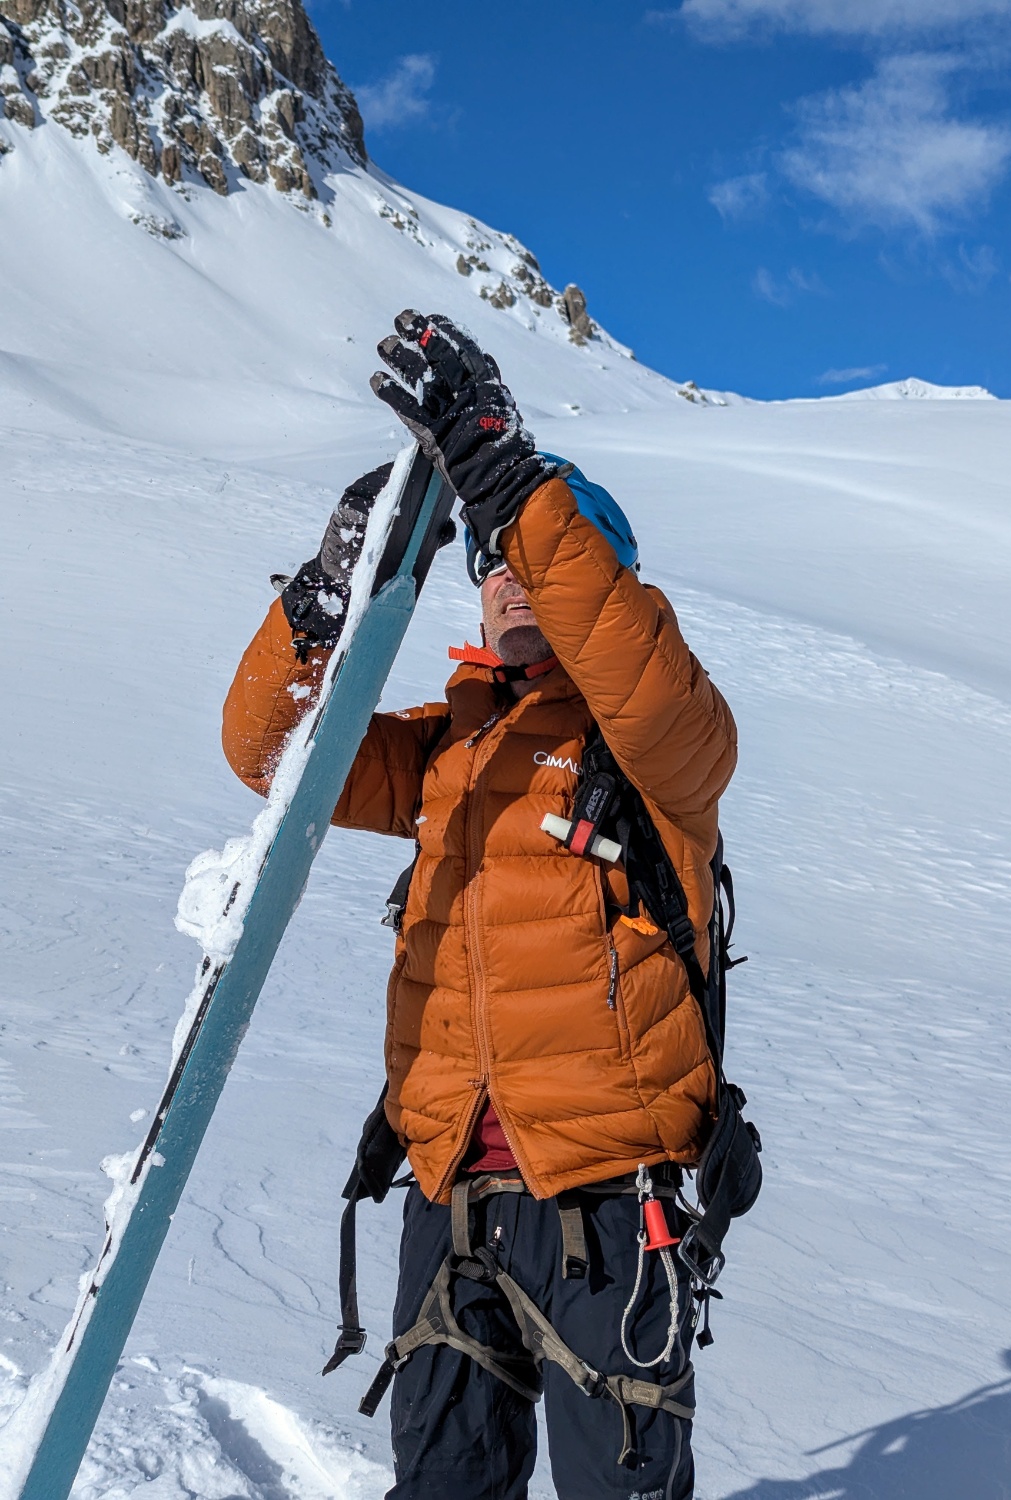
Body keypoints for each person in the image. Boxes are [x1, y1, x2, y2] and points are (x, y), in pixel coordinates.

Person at [221, 311, 738, 1500]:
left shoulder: (662, 748)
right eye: (488, 556)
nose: (505, 573)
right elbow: (269, 756)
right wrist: (321, 602)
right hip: (449, 1193)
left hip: (607, 1203)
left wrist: (510, 481)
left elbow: (636, 667)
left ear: (598, 573)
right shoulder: (447, 747)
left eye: (530, 552)